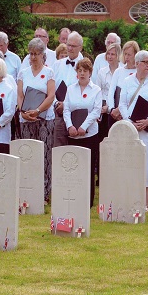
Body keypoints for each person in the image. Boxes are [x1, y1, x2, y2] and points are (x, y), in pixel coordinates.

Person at [118, 50, 148, 211]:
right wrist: (129, 121)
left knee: (147, 163)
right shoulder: (127, 81)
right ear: (136, 64)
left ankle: (145, 202)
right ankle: (128, 197)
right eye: (145, 62)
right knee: (129, 161)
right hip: (131, 128)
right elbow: (122, 103)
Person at [17, 38, 56, 204]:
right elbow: (20, 95)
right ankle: (28, 190)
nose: (33, 57)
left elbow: (51, 95)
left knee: (45, 155)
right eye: (31, 53)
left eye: (36, 54)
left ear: (42, 55)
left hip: (44, 119)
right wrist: (23, 111)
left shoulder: (49, 73)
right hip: (26, 119)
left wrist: (38, 110)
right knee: (28, 155)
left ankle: (45, 193)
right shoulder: (23, 73)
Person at [63, 58, 102, 207]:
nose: (82, 73)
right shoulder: (70, 89)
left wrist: (84, 127)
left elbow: (96, 111)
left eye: (85, 71)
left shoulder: (96, 90)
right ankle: (74, 197)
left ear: (90, 72)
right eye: (79, 70)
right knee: (74, 167)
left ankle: (88, 200)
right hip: (73, 134)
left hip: (89, 134)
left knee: (89, 168)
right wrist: (70, 127)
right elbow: (66, 109)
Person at [52, 31, 84, 147]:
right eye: (68, 45)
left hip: (77, 115)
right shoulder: (57, 65)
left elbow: (86, 90)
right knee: (58, 150)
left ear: (80, 47)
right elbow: (51, 88)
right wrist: (56, 103)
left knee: (76, 151)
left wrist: (66, 105)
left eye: (73, 46)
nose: (69, 48)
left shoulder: (85, 66)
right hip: (59, 114)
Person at [95, 43, 122, 153]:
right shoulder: (102, 72)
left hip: (118, 109)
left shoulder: (123, 71)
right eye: (108, 54)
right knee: (104, 139)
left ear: (118, 55)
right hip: (104, 110)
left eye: (113, 54)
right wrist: (103, 107)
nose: (110, 57)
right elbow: (98, 91)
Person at [107, 40, 139, 127]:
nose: (126, 57)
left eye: (129, 54)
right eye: (125, 54)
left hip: (130, 114)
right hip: (114, 114)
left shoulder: (139, 72)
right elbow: (111, 92)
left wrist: (121, 110)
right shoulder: (118, 71)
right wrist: (112, 109)